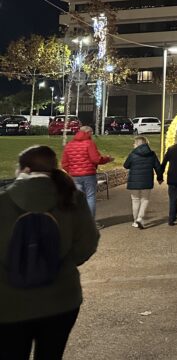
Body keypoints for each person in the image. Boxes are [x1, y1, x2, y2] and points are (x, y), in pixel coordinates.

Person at [0, 145, 99, 359]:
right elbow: (86, 246)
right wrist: (59, 263)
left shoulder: (3, 202)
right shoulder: (74, 198)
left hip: (8, 304)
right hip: (61, 299)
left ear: (24, 170)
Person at [61, 126, 112, 223]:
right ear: (88, 132)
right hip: (89, 175)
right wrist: (107, 159)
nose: (92, 135)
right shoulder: (90, 144)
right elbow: (95, 159)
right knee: (90, 197)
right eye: (92, 133)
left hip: (75, 176)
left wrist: (71, 171)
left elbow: (64, 163)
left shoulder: (69, 145)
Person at [123, 136, 163, 229]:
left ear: (137, 144)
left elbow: (126, 165)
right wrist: (159, 178)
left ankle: (135, 221)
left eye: (134, 143)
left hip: (134, 181)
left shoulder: (133, 154)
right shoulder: (152, 154)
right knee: (145, 200)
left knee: (135, 200)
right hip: (147, 180)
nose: (133, 144)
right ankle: (140, 218)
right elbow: (158, 167)